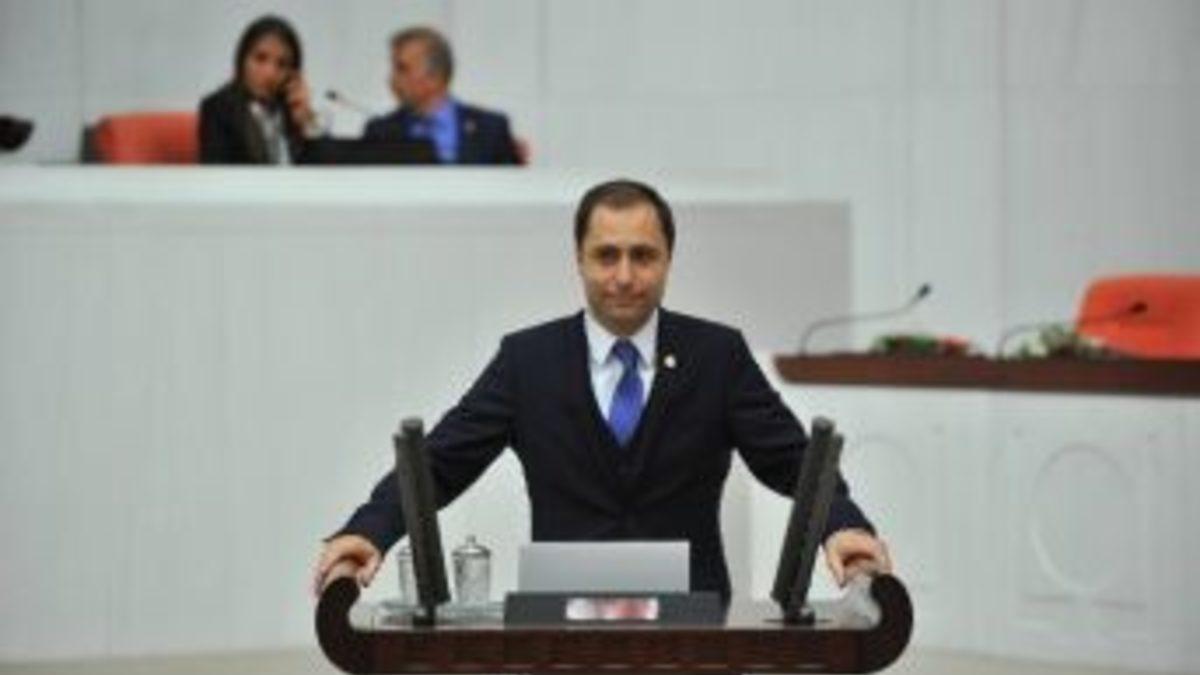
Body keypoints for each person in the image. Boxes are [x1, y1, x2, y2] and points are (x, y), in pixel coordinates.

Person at [313, 179, 891, 599]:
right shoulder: (526, 361)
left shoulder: (718, 355)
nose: (624, 276)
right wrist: (369, 530)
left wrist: (842, 524)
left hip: (694, 630)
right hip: (561, 629)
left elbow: (794, 462)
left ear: (668, 259)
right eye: (606, 255)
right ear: (579, 259)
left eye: (643, 256)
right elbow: (439, 463)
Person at [362, 26, 522, 165]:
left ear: (434, 76)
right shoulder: (380, 132)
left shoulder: (490, 129)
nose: (392, 79)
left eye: (402, 69)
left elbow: (511, 185)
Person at [198, 15, 319, 164]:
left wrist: (307, 123)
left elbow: (322, 170)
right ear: (242, 60)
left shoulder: (291, 109)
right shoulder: (218, 108)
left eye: (282, 64)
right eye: (260, 58)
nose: (270, 73)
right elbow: (218, 172)